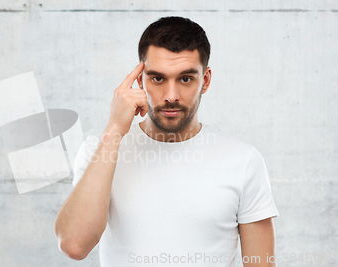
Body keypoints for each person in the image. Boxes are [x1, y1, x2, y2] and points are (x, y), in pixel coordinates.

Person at [54, 16, 279, 267]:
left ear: (204, 81)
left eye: (185, 79)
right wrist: (115, 129)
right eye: (158, 79)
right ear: (140, 80)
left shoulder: (243, 161)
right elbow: (74, 245)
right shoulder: (102, 149)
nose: (171, 96)